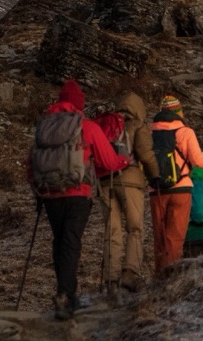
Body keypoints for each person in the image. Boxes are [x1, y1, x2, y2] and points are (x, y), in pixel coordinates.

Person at [29, 79, 130, 320]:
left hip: (50, 194)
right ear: (79, 103)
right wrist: (125, 160)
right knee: (71, 242)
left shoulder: (45, 126)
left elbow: (31, 162)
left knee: (60, 240)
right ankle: (66, 295)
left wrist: (37, 189)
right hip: (77, 193)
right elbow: (108, 161)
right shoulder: (86, 126)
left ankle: (63, 289)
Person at [97, 91, 158, 295]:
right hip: (130, 183)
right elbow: (146, 155)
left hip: (105, 182)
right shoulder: (137, 125)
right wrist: (156, 177)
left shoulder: (107, 124)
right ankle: (130, 274)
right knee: (134, 229)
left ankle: (111, 279)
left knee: (111, 231)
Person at [148, 94, 203, 273]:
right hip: (182, 189)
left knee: (160, 238)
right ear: (179, 112)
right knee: (175, 238)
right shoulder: (185, 132)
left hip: (156, 190)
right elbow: (198, 161)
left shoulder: (150, 131)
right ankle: (171, 278)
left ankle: (159, 275)